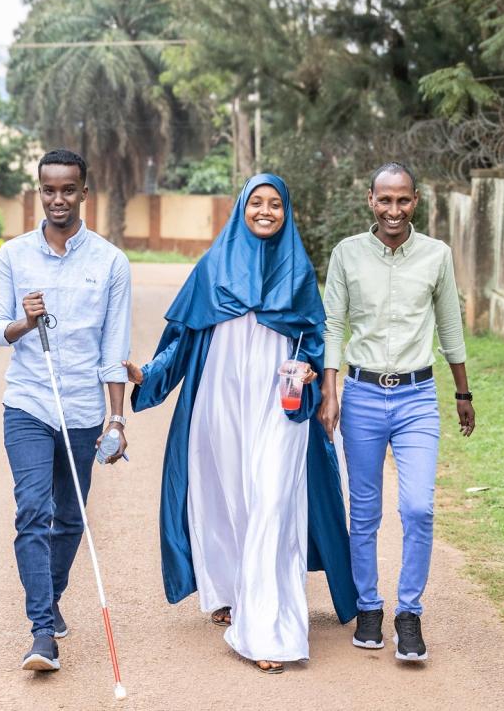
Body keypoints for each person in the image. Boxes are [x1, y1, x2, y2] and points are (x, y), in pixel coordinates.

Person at [123, 174, 356, 675]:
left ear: (286, 211)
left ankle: (267, 629)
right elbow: (180, 342)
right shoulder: (212, 268)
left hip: (280, 408)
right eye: (257, 203)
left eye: (275, 204)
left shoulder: (297, 271)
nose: (266, 211)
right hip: (220, 405)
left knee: (273, 502)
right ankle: (229, 592)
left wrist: (317, 379)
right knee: (227, 500)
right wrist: (148, 376)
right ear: (241, 209)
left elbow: (315, 341)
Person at [317, 162, 476, 662]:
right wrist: (331, 390)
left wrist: (462, 394)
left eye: (402, 200)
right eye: (384, 200)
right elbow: (333, 325)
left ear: (416, 201)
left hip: (416, 399)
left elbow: (450, 325)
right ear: (370, 200)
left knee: (419, 508)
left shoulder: (436, 255)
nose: (393, 210)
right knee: (363, 512)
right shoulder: (346, 254)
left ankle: (409, 614)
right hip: (361, 396)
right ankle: (369, 608)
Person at [0, 149, 132, 673]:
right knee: (33, 510)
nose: (58, 199)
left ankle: (52, 598)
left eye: (68, 189)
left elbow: (115, 349)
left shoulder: (111, 262)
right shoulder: (13, 256)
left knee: (69, 518)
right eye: (48, 190)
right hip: (27, 403)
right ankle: (42, 632)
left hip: (83, 410)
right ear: (39, 192)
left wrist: (116, 420)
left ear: (84, 192)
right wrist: (25, 322)